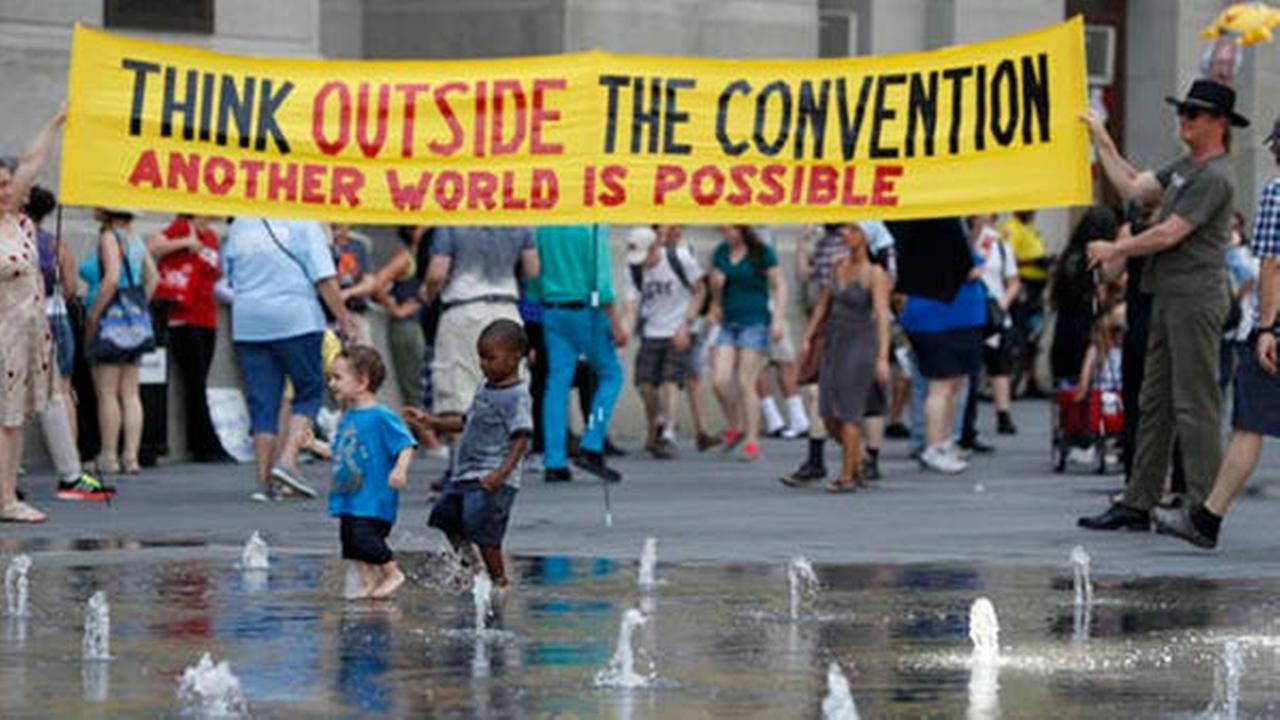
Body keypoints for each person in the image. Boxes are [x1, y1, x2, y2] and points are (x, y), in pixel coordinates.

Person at [1078, 79, 1245, 532]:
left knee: (1195, 403)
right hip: (1170, 295)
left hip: (1195, 295)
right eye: (1183, 112)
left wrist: (1116, 251)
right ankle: (1139, 499)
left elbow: (1171, 232)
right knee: (1154, 401)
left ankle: (1202, 509)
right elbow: (1134, 187)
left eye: (1194, 114)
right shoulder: (1187, 168)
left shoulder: (1214, 175)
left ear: (1219, 123)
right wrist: (1101, 137)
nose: (1184, 120)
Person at [1152, 116, 1280, 549]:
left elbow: (1272, 266)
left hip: (1276, 329)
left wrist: (1266, 327)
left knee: (1249, 424)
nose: (1272, 152)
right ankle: (1206, 517)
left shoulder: (1278, 194)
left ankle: (1206, 520)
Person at [222, 216, 357, 502]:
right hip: (297, 319)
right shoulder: (303, 223)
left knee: (263, 401)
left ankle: (263, 482)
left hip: (249, 322)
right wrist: (345, 320)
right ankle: (288, 461)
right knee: (309, 390)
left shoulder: (239, 225)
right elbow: (325, 279)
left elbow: (229, 275)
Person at [409, 320, 532, 589]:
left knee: (485, 532)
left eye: (491, 358)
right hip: (466, 472)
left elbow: (521, 438)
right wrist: (431, 422)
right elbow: (468, 422)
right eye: (481, 358)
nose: (483, 365)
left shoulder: (517, 395)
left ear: (514, 358)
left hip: (492, 476)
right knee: (446, 517)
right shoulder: (485, 387)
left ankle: (499, 580)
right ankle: (469, 567)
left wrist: (501, 474)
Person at [22, 184, 111, 500]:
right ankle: (71, 468)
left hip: (25, 319)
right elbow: (71, 286)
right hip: (55, 314)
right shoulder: (53, 243)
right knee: (60, 391)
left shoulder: (15, 236)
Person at [790, 223, 891, 491]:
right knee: (828, 412)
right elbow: (824, 303)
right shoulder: (838, 267)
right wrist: (808, 337)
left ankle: (847, 476)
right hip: (835, 340)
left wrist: (882, 356)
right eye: (846, 230)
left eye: (854, 230)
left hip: (861, 342)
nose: (847, 234)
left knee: (850, 411)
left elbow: (882, 315)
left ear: (866, 238)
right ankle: (858, 458)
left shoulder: (875, 274)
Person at [0, 105, 64, 523]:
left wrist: (56, 120)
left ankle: (7, 495)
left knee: (14, 420)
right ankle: (5, 498)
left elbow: (32, 162)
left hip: (27, 337)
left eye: (7, 184)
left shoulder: (20, 222)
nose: (5, 190)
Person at [530, 224, 626, 483]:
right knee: (611, 375)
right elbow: (602, 281)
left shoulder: (544, 227)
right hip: (586, 310)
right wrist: (615, 323)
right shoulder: (593, 226)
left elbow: (533, 273)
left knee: (557, 385)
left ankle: (554, 460)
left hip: (552, 309)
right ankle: (592, 443)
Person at [327, 345, 416, 599]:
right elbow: (338, 450)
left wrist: (400, 470)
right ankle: (369, 581)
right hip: (349, 495)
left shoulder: (381, 416)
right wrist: (313, 445)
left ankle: (393, 573)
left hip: (373, 496)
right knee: (351, 542)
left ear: (362, 381)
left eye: (338, 378)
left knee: (365, 538)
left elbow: (406, 444)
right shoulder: (348, 417)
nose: (332, 384)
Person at [424, 226, 538, 421]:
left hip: (463, 308)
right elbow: (532, 269)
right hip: (507, 308)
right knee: (510, 390)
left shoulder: (451, 222)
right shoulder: (519, 221)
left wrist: (427, 295)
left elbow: (437, 274)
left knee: (458, 394)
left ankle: (464, 449)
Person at [899, 221, 986, 474]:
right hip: (943, 317)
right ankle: (934, 446)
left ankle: (944, 442)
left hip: (953, 317)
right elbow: (967, 270)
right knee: (942, 385)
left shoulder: (923, 239)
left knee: (952, 385)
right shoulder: (942, 237)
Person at [148, 214, 232, 463]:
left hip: (207, 315)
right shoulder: (180, 228)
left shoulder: (212, 237)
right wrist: (184, 242)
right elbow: (152, 246)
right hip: (182, 316)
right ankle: (205, 444)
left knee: (200, 380)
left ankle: (201, 441)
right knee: (194, 381)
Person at [81, 207, 158, 476]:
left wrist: (94, 314)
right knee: (131, 392)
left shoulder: (109, 236)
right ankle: (131, 457)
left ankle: (109, 456)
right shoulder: (135, 238)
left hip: (107, 320)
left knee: (107, 393)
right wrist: (136, 308)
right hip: (133, 322)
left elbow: (111, 278)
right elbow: (153, 278)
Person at [625, 225, 708, 458]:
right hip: (651, 330)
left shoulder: (679, 258)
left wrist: (687, 324)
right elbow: (630, 305)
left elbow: (700, 290)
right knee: (645, 384)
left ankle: (668, 431)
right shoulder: (633, 268)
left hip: (677, 328)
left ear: (654, 248)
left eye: (646, 257)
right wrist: (623, 332)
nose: (643, 263)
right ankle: (658, 421)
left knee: (670, 380)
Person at [709, 225, 786, 462]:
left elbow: (780, 285)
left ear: (742, 229)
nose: (726, 234)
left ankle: (752, 439)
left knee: (746, 382)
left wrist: (778, 319)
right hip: (729, 322)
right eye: (723, 231)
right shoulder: (721, 252)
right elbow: (716, 290)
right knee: (719, 381)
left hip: (755, 320)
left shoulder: (762, 252)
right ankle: (735, 424)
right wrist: (716, 291)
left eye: (729, 230)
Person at [961, 214, 1021, 450]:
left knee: (1000, 366)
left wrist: (1003, 303)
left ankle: (1003, 413)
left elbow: (1013, 281)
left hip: (995, 315)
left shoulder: (1001, 246)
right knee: (971, 372)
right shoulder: (965, 244)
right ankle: (967, 426)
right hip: (970, 316)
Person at [1051, 207, 1119, 387]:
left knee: (1066, 389)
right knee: (1087, 389)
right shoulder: (1096, 259)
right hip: (1087, 327)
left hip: (1064, 326)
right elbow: (1101, 296)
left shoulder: (1070, 255)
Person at [1000, 209, 1050, 395]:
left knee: (1033, 336)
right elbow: (1007, 258)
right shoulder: (1010, 228)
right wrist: (1032, 262)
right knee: (1019, 335)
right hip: (1021, 288)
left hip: (1036, 288)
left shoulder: (1030, 228)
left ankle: (1032, 380)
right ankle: (1013, 382)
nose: (1033, 211)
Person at [329, 223, 372, 343]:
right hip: (328, 316)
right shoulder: (321, 245)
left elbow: (370, 282)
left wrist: (348, 293)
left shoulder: (358, 246)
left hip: (354, 312)